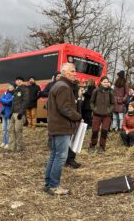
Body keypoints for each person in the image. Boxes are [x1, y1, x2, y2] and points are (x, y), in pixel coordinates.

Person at [44, 63, 82, 196]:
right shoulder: (64, 87)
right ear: (64, 72)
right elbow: (65, 108)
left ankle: (48, 184)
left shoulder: (57, 85)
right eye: (72, 71)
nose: (75, 73)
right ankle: (54, 186)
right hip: (62, 127)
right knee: (60, 156)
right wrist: (78, 116)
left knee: (54, 155)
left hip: (56, 126)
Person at [89, 76, 115, 153]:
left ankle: (102, 147)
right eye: (104, 82)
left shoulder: (111, 92)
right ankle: (92, 146)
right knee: (95, 131)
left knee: (104, 131)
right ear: (101, 82)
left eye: (107, 82)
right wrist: (95, 109)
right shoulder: (96, 91)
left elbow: (113, 103)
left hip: (107, 116)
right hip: (97, 115)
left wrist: (108, 110)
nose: (106, 83)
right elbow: (91, 102)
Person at [8, 76, 29, 152]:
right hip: (13, 113)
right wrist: (11, 112)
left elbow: (25, 101)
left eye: (20, 80)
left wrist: (21, 112)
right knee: (10, 130)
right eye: (17, 80)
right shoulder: (16, 89)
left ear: (23, 81)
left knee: (18, 130)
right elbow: (13, 103)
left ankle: (19, 148)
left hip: (19, 114)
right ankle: (12, 147)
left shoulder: (25, 89)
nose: (19, 81)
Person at [0, 82, 14, 149]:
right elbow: (0, 99)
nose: (10, 87)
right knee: (4, 129)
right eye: (9, 86)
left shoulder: (14, 95)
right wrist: (6, 101)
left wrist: (5, 101)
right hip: (3, 112)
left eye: (11, 86)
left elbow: (9, 102)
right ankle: (4, 142)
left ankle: (8, 143)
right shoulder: (5, 93)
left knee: (8, 129)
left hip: (9, 113)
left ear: (13, 87)